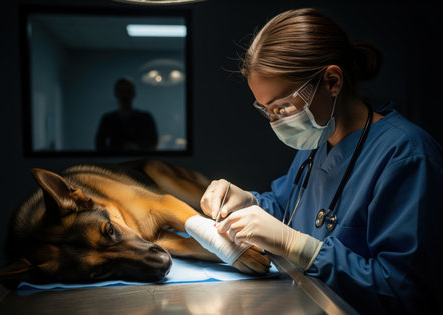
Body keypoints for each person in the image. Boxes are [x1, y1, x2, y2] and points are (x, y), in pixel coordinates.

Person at [200, 8, 442, 314]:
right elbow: (288, 208)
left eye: (283, 107)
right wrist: (247, 202)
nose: (274, 121)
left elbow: (407, 293)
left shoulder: (406, 155)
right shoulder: (317, 141)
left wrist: (300, 249)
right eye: (266, 110)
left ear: (331, 81)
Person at [95, 77, 158, 151]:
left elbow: (153, 142)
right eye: (121, 91)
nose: (124, 95)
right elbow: (99, 144)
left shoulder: (146, 117)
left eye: (128, 91)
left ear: (133, 93)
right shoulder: (108, 119)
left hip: (139, 160)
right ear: (116, 94)